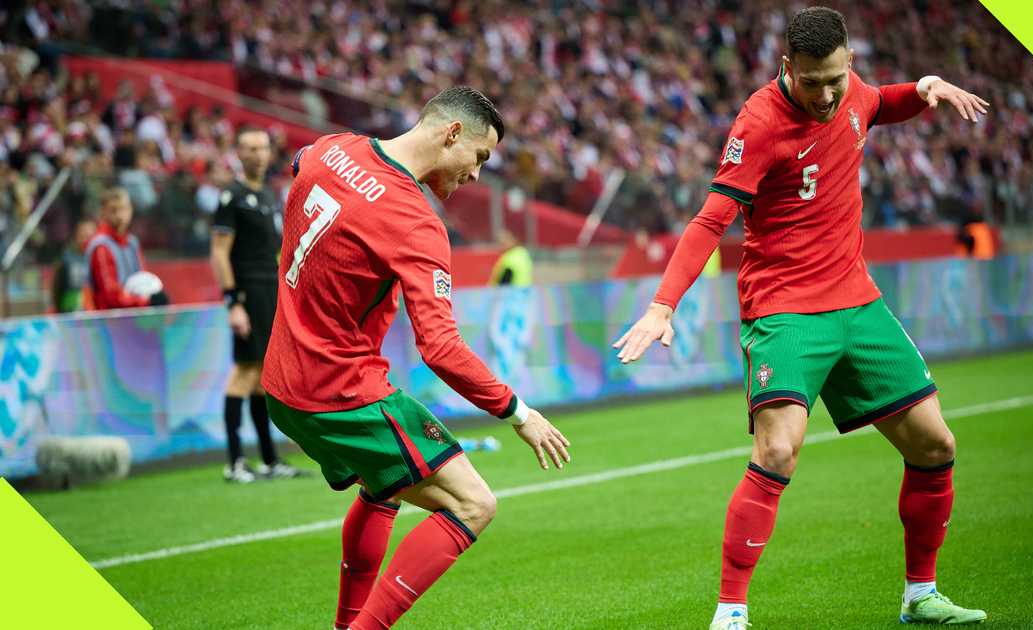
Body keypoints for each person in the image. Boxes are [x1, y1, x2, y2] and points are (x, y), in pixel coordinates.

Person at [613, 7, 988, 628]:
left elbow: (878, 103)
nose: (826, 94)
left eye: (836, 79)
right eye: (811, 81)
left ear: (850, 64)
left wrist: (923, 91)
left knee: (935, 443)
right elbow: (712, 219)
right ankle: (730, 615)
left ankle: (920, 595)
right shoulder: (759, 123)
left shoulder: (851, 92)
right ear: (788, 67)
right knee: (778, 450)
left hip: (858, 303)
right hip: (785, 308)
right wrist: (662, 304)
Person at [261, 86, 570, 630]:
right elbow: (441, 348)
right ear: (452, 133)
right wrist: (520, 413)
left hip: (282, 384)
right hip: (338, 390)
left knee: (384, 488)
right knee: (474, 504)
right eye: (479, 157)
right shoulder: (415, 223)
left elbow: (298, 164)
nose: (476, 175)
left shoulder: (331, 148)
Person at [210, 127, 302, 483]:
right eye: (250, 148)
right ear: (239, 153)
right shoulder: (230, 197)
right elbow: (219, 253)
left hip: (269, 291)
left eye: (262, 148)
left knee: (263, 376)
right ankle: (234, 462)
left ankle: (268, 459)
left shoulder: (267, 194)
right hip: (246, 292)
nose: (258, 154)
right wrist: (233, 302)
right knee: (244, 371)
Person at [85, 187, 168, 311]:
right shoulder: (101, 246)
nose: (119, 215)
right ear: (103, 213)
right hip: (109, 321)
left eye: (123, 209)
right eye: (113, 210)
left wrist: (152, 296)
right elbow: (110, 295)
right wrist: (146, 301)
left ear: (131, 210)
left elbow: (142, 277)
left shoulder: (132, 242)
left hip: (134, 315)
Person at [52, 217, 96, 313]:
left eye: (90, 236)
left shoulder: (99, 258)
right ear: (76, 236)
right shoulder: (66, 260)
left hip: (95, 314)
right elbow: (57, 290)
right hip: (71, 314)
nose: (86, 240)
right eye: (82, 235)